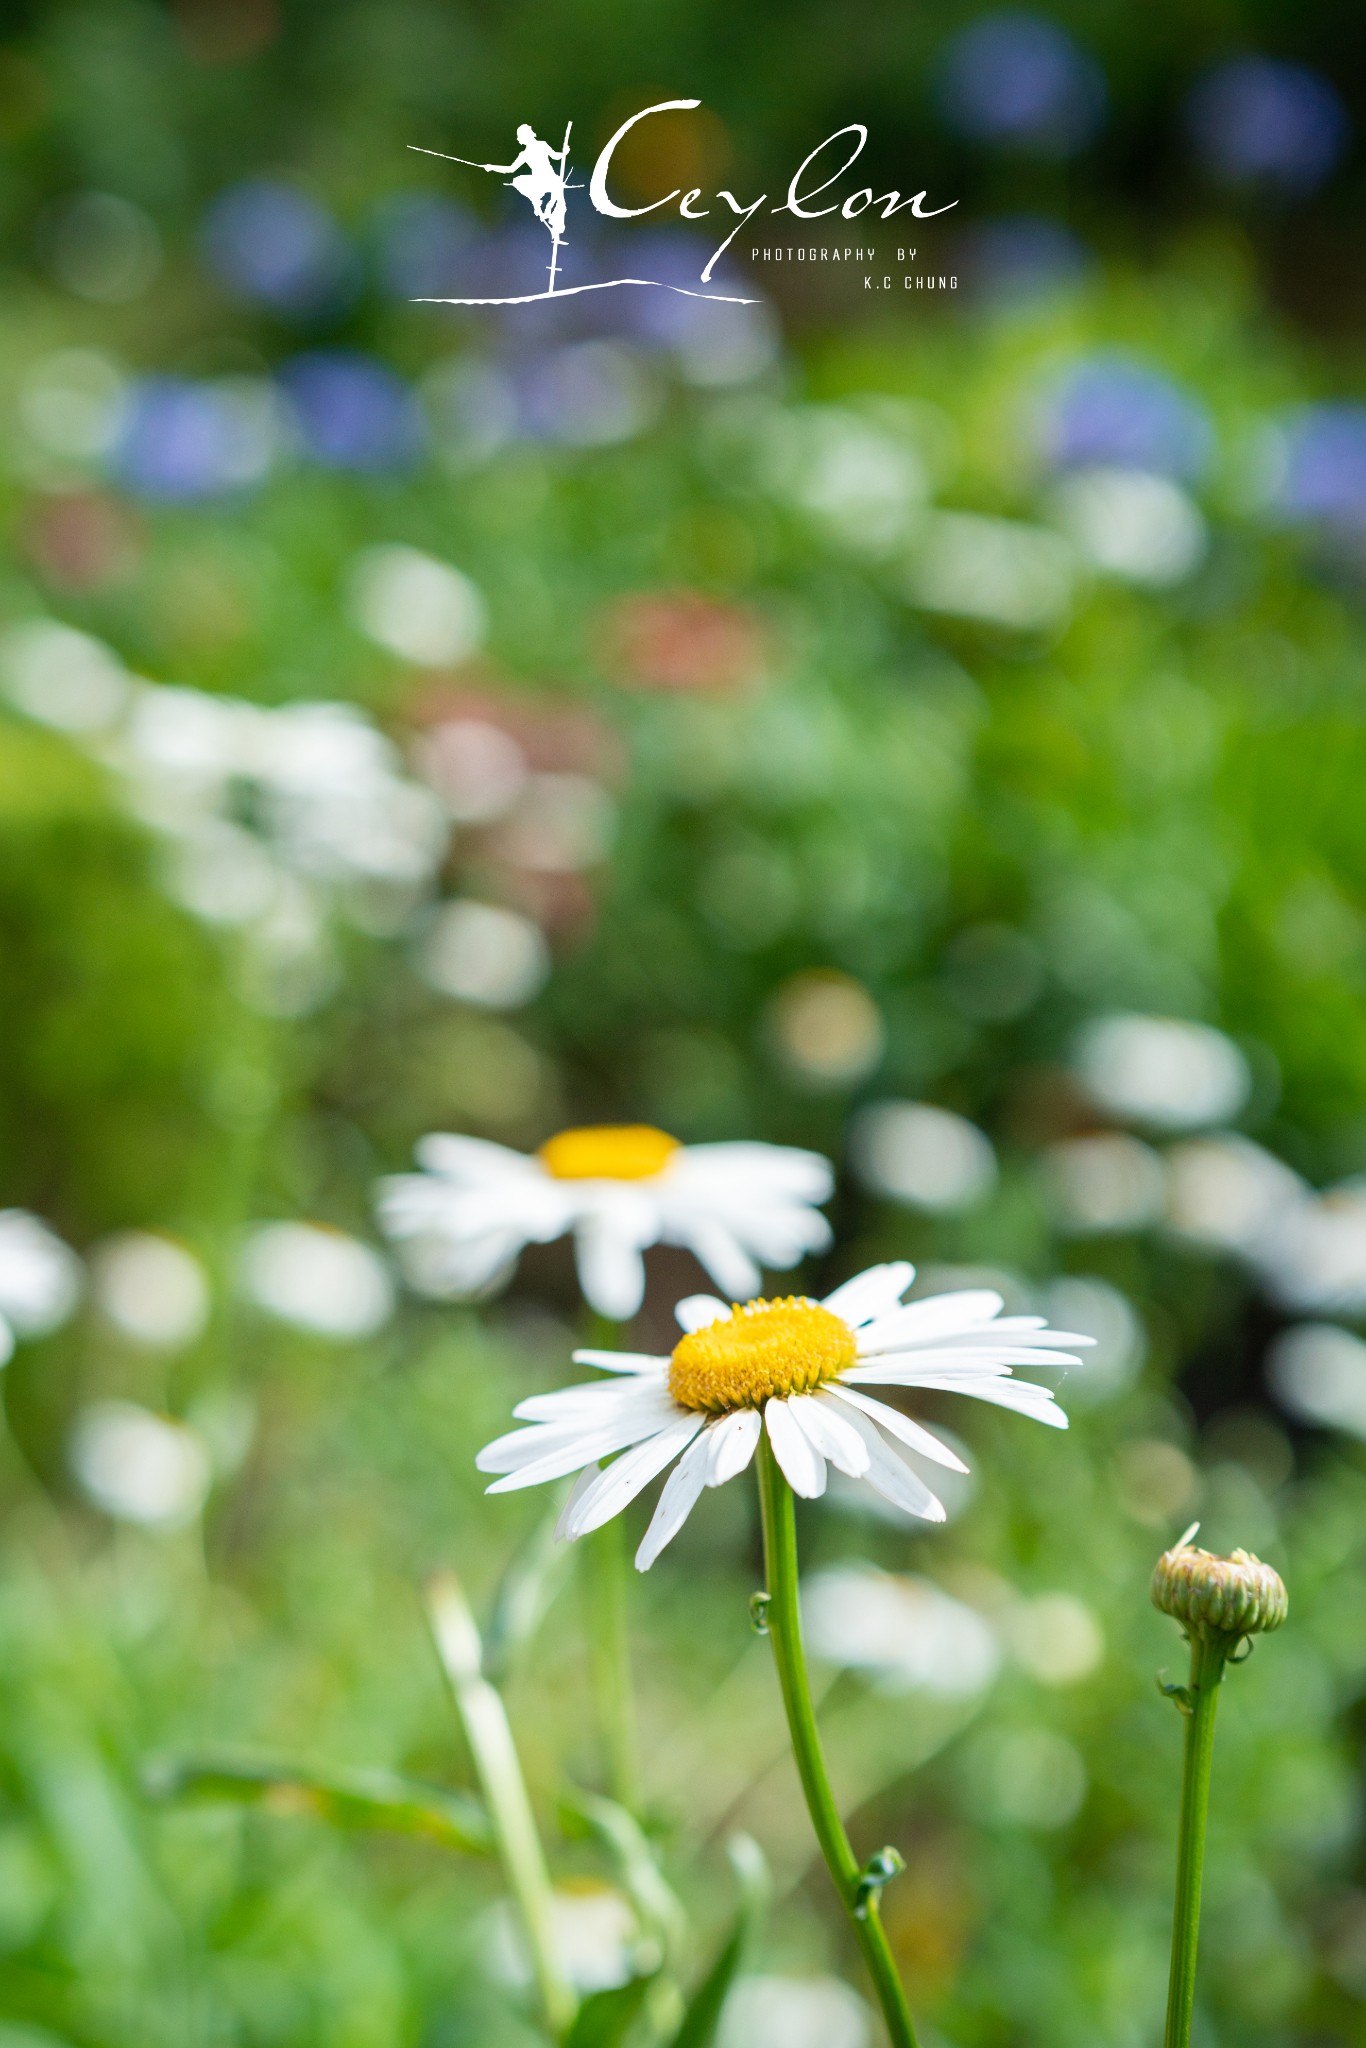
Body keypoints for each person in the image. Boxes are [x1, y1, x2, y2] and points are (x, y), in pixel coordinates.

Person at [483, 125, 570, 243]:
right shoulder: (525, 154)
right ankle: (538, 206)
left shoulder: (542, 145)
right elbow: (511, 169)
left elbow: (555, 156)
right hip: (539, 180)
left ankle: (551, 221)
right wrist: (492, 167)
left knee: (557, 201)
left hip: (549, 179)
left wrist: (564, 152)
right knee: (518, 181)